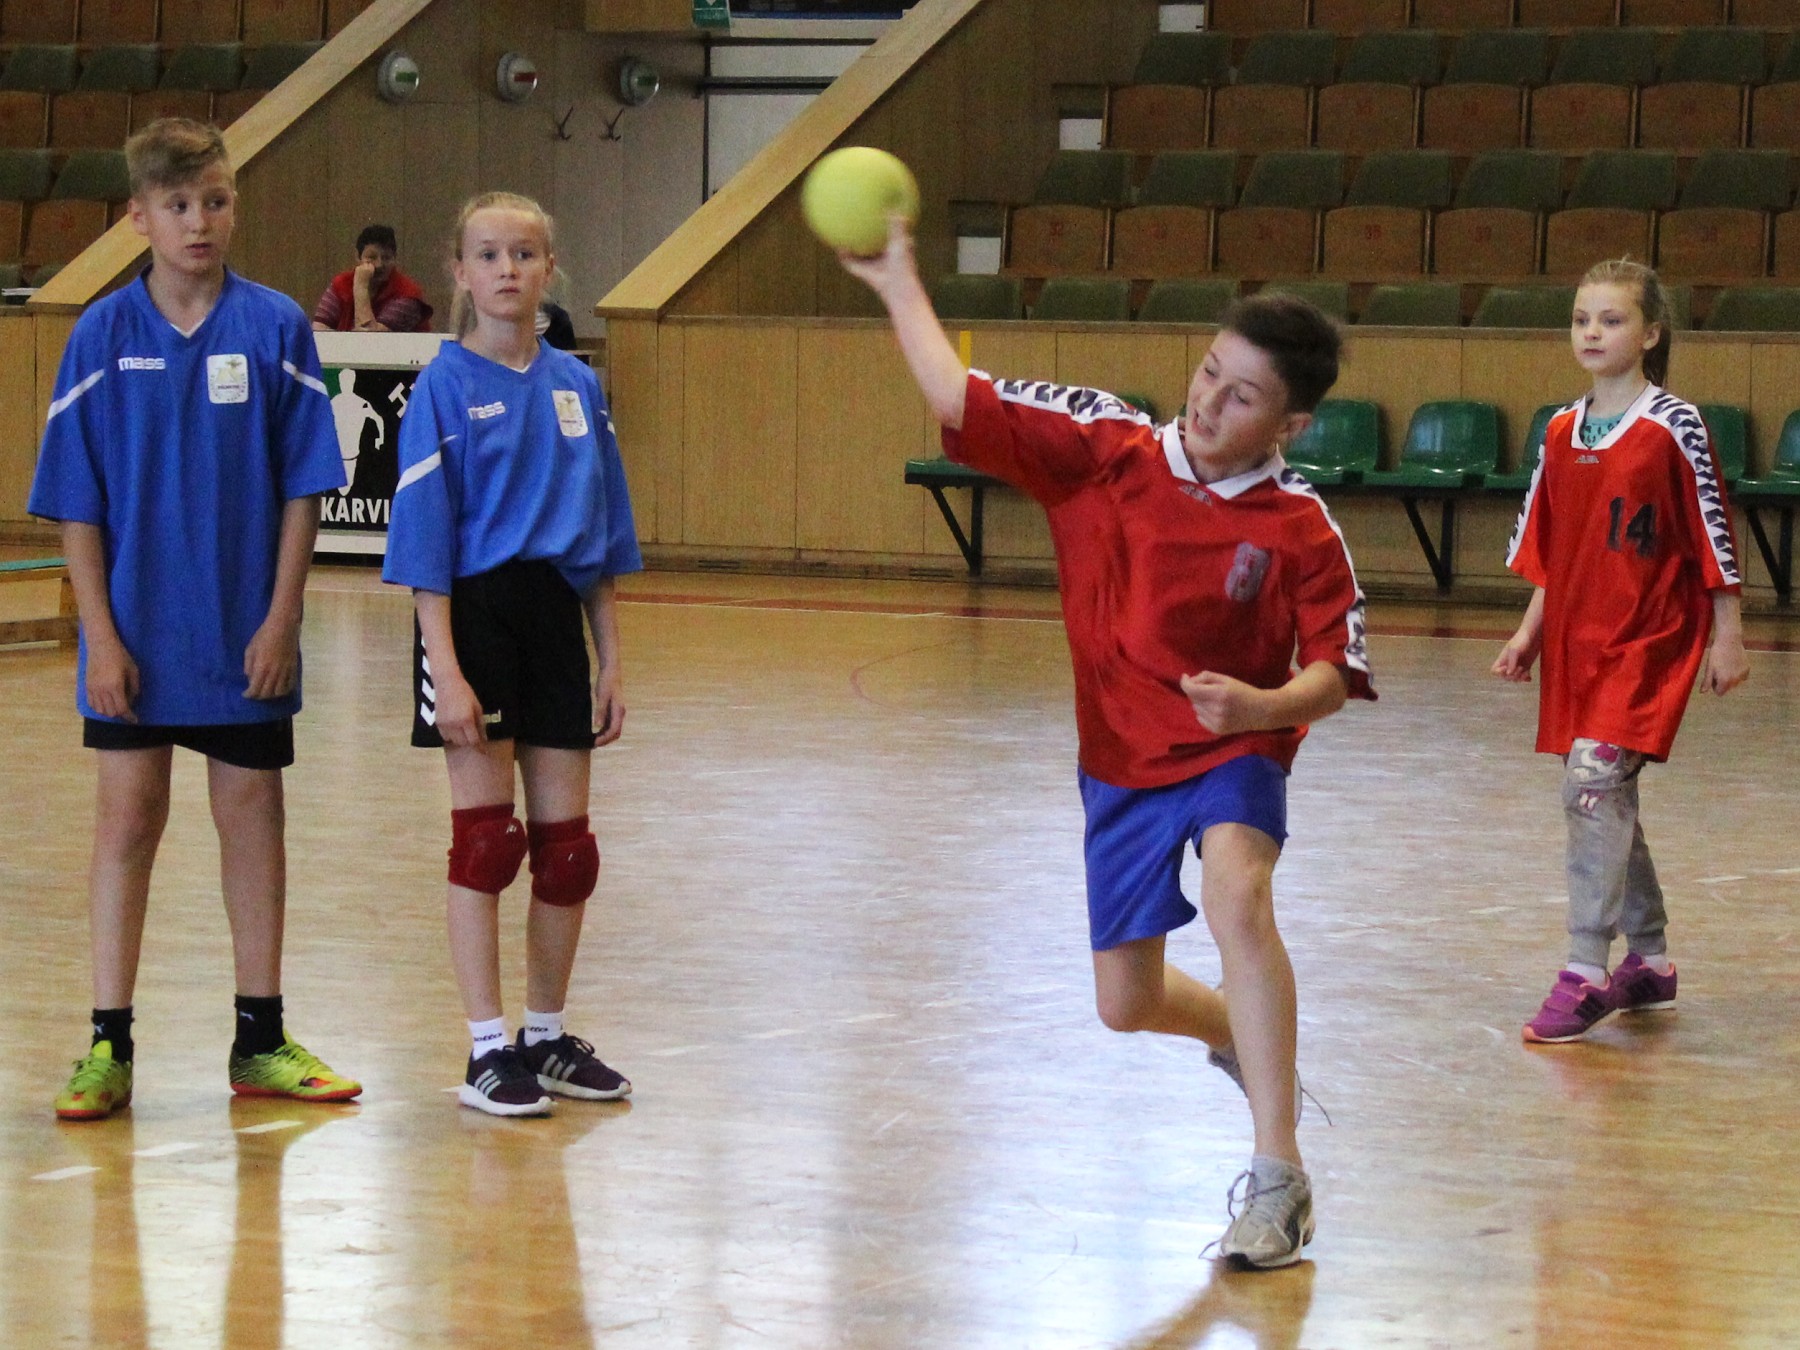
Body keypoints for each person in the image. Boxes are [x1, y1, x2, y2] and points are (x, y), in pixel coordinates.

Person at [840, 221, 1375, 1269]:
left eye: (1242, 398)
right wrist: (901, 283)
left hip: (1235, 747)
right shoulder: (1105, 451)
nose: (1209, 403)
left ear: (1291, 424)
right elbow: (959, 398)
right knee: (1125, 1004)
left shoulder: (1301, 524)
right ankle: (1236, 1032)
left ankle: (1278, 1176)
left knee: (1238, 895)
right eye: (1209, 373)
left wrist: (1263, 708)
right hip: (1120, 760)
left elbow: (1334, 674)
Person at [28, 117, 361, 1120]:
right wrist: (99, 636)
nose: (198, 222)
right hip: (132, 638)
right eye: (177, 205)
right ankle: (107, 1044)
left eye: (214, 201)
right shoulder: (101, 336)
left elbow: (304, 486)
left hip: (242, 636)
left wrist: (282, 618)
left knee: (251, 819)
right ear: (139, 217)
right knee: (127, 821)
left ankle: (260, 1039)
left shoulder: (276, 327)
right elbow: (77, 504)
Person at [383, 191, 641, 1118]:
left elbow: (603, 537)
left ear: (549, 269)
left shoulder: (576, 386)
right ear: (459, 272)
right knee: (488, 843)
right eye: (488, 255)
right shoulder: (442, 387)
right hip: (474, 617)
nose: (506, 270)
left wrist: (610, 659)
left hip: (554, 617)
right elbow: (423, 543)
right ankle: (488, 1049)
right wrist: (446, 670)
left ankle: (547, 1035)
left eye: (524, 255)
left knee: (567, 854)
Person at [1494, 258, 1749, 1044]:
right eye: (1581, 319)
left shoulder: (1675, 424)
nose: (1592, 332)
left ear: (1651, 334)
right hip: (1581, 641)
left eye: (1611, 319)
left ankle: (1585, 969)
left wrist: (1728, 632)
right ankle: (1651, 959)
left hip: (1651, 639)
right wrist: (1531, 631)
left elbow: (1712, 528)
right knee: (1602, 793)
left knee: (1593, 781)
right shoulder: (1560, 429)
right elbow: (1556, 552)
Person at [311, 223, 433, 333]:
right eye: (372, 257)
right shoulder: (341, 284)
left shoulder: (408, 295)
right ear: (358, 257)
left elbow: (370, 338)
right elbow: (318, 330)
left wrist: (361, 287)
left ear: (395, 258)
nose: (379, 265)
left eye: (386, 258)